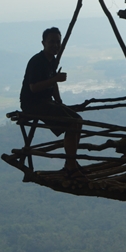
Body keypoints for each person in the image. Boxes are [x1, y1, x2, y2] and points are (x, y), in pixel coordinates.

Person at [20, 27, 83, 176]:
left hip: (46, 101)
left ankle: (70, 161)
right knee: (71, 124)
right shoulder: (37, 61)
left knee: (78, 120)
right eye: (51, 42)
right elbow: (34, 88)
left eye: (57, 42)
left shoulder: (52, 60)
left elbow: (53, 84)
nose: (55, 45)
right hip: (33, 103)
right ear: (43, 43)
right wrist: (55, 79)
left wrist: (59, 101)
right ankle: (71, 166)